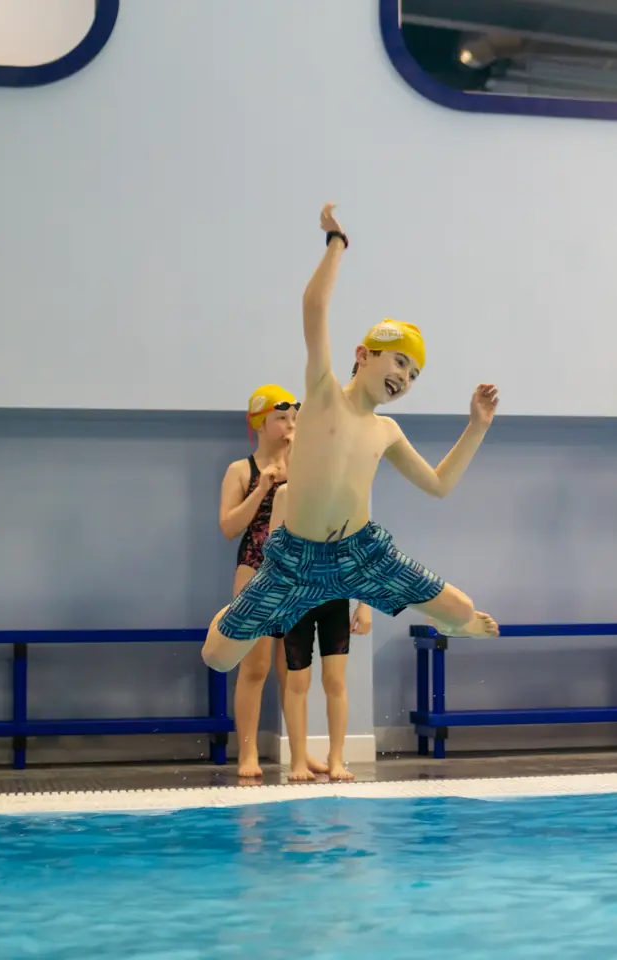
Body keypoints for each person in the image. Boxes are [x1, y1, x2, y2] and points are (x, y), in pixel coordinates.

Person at [201, 202, 500, 677]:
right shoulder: (322, 394)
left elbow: (440, 484)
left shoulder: (387, 430)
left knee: (462, 610)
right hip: (295, 560)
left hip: (361, 554)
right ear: (363, 354)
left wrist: (477, 426)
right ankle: (234, 614)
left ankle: (451, 624)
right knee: (216, 658)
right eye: (399, 361)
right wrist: (336, 242)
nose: (405, 377)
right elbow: (314, 307)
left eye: (414, 374)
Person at [216, 384, 323, 779]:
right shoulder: (241, 470)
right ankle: (247, 754)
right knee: (255, 667)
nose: (290, 424)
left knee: (295, 670)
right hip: (255, 571)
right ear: (259, 423)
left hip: (297, 575)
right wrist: (262, 488)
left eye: (294, 417)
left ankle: (300, 753)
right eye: (281, 417)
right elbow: (229, 527)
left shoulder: (307, 467)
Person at [271, 482, 370, 782]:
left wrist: (365, 604)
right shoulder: (287, 493)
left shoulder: (347, 494)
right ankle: (298, 758)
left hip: (335, 599)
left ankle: (336, 757)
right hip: (296, 601)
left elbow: (362, 552)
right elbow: (272, 553)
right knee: (297, 681)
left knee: (335, 680)